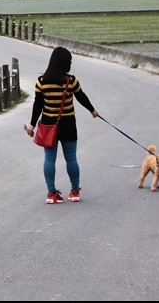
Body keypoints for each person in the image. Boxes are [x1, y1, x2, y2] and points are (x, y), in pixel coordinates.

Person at [24, 46, 99, 204]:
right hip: (68, 124)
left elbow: (38, 105)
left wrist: (32, 125)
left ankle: (51, 193)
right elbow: (81, 97)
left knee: (49, 158)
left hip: (48, 124)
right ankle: (75, 191)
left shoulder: (41, 82)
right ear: (66, 63)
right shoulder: (71, 81)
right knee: (71, 158)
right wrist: (92, 110)